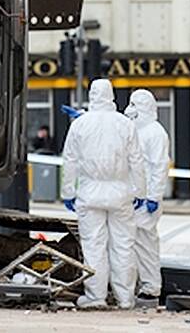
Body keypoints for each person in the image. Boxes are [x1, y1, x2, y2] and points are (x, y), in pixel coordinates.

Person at [62, 79, 146, 309]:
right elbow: (137, 160)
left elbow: (69, 160)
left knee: (93, 246)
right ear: (112, 95)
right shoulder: (125, 124)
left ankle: (96, 297)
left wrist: (68, 191)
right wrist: (140, 190)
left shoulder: (80, 124)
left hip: (89, 193)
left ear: (91, 95)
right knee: (123, 245)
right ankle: (126, 298)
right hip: (120, 192)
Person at [124, 89, 170, 304]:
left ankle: (151, 286)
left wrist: (153, 196)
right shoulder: (135, 131)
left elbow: (159, 166)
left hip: (147, 200)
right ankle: (134, 285)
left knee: (145, 243)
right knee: (130, 243)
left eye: (135, 105)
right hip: (134, 197)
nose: (130, 109)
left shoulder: (155, 132)